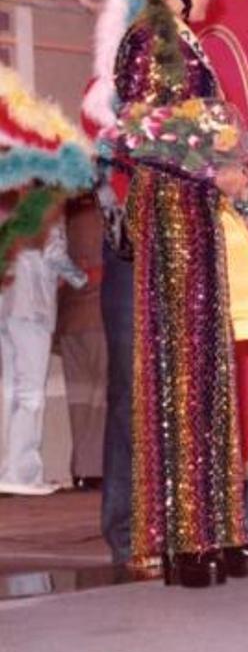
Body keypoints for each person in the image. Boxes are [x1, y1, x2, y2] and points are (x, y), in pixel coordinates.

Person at [110, 0, 248, 586]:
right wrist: (216, 167)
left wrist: (240, 159)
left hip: (199, 211)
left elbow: (188, 129)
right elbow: (141, 134)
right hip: (171, 212)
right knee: (178, 371)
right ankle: (178, 540)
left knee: (210, 368)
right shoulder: (151, 37)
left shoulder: (186, 42)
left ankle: (220, 529)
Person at [0, 215, 85, 494]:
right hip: (32, 303)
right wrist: (81, 277)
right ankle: (23, 472)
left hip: (6, 301)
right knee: (31, 391)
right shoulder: (47, 203)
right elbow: (54, 253)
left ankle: (10, 467)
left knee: (13, 387)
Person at [56, 194, 107, 490]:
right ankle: (97, 469)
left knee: (80, 400)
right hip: (99, 315)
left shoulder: (66, 215)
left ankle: (82, 468)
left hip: (70, 319)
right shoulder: (103, 216)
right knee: (102, 397)